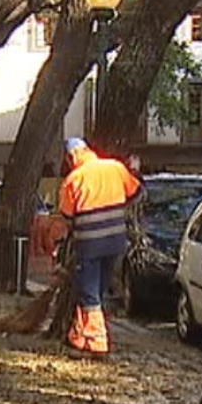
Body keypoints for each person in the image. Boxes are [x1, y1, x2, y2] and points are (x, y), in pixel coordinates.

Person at [58, 138, 141, 355]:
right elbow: (136, 192)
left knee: (89, 293)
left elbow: (67, 216)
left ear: (72, 156)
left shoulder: (73, 179)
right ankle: (79, 336)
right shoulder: (115, 168)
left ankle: (97, 342)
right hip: (115, 242)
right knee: (97, 290)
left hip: (89, 244)